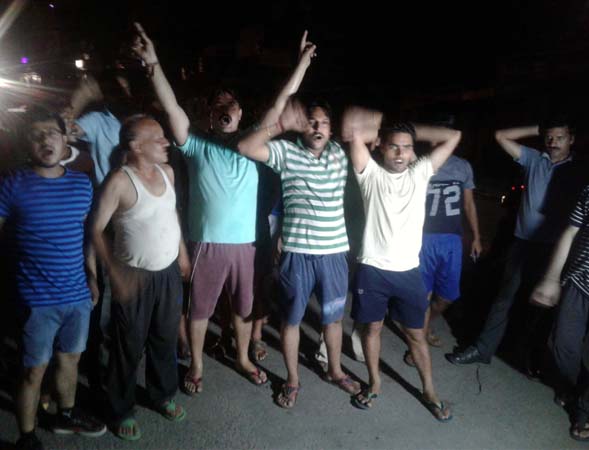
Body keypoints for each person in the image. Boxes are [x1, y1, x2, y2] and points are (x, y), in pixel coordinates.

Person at [132, 23, 266, 395]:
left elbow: (279, 108)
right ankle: (197, 364)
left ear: (240, 112)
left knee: (242, 309)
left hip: (247, 245)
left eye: (230, 104)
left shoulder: (253, 146)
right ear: (209, 114)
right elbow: (172, 107)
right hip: (207, 243)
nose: (224, 109)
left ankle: (242, 357)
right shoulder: (197, 144)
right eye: (217, 105)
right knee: (201, 309)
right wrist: (153, 63)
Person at [238, 34, 362, 408]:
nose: (317, 127)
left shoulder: (340, 154)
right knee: (291, 321)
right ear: (301, 128)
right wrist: (283, 119)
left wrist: (354, 123)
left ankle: (335, 370)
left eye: (323, 122)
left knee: (333, 320)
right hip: (296, 254)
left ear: (331, 128)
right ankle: (293, 379)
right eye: (311, 122)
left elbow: (369, 127)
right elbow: (246, 146)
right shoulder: (286, 153)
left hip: (334, 254)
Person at [446, 116, 589, 373]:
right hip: (523, 243)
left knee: (541, 308)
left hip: (555, 250)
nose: (553, 141)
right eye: (549, 136)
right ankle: (483, 349)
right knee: (504, 299)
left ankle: (531, 361)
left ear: (571, 139)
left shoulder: (579, 171)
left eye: (560, 137)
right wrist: (538, 128)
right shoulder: (534, 158)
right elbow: (501, 136)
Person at [342, 107, 460, 420]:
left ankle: (429, 390)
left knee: (417, 335)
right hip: (372, 269)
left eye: (407, 147)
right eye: (393, 146)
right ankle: (375, 382)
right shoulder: (370, 173)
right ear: (381, 147)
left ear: (413, 151)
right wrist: (383, 130)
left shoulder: (420, 173)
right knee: (372, 329)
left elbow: (453, 136)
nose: (400, 153)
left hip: (409, 271)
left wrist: (407, 131)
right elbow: (353, 128)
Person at [0, 107, 106, 450]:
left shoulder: (81, 185)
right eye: (36, 135)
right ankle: (27, 436)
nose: (45, 140)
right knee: (33, 370)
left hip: (77, 295)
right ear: (26, 143)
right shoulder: (12, 183)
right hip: (35, 300)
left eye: (52, 133)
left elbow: (86, 238)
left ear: (65, 140)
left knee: (70, 359)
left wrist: (92, 277)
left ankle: (65, 415)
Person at [89, 115, 190, 440]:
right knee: (128, 344)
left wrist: (182, 252)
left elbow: (171, 213)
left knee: (164, 338)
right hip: (133, 275)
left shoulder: (167, 172)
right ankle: (121, 408)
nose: (166, 142)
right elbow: (95, 229)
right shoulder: (119, 181)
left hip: (168, 272)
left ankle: (162, 394)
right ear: (135, 146)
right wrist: (111, 273)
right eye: (157, 138)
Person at [530, 181, 589, 442]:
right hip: (579, 284)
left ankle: (584, 407)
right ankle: (576, 390)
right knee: (561, 345)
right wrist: (551, 278)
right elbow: (570, 233)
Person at [404, 139, 482, 366]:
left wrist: (476, 236)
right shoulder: (421, 163)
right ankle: (418, 345)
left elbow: (469, 204)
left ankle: (425, 325)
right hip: (423, 238)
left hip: (451, 240)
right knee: (423, 295)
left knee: (447, 297)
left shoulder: (462, 166)